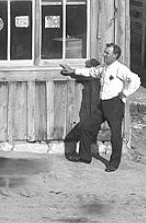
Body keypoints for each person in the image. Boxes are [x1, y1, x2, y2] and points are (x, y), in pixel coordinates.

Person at [60, 43, 140, 172]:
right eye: (104, 52)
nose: (104, 55)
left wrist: (124, 93)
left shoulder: (120, 69)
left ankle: (114, 163)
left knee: (115, 135)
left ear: (115, 55)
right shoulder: (103, 67)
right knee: (86, 126)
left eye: (107, 53)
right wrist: (73, 71)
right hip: (102, 105)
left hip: (114, 105)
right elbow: (91, 72)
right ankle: (85, 157)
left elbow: (135, 80)